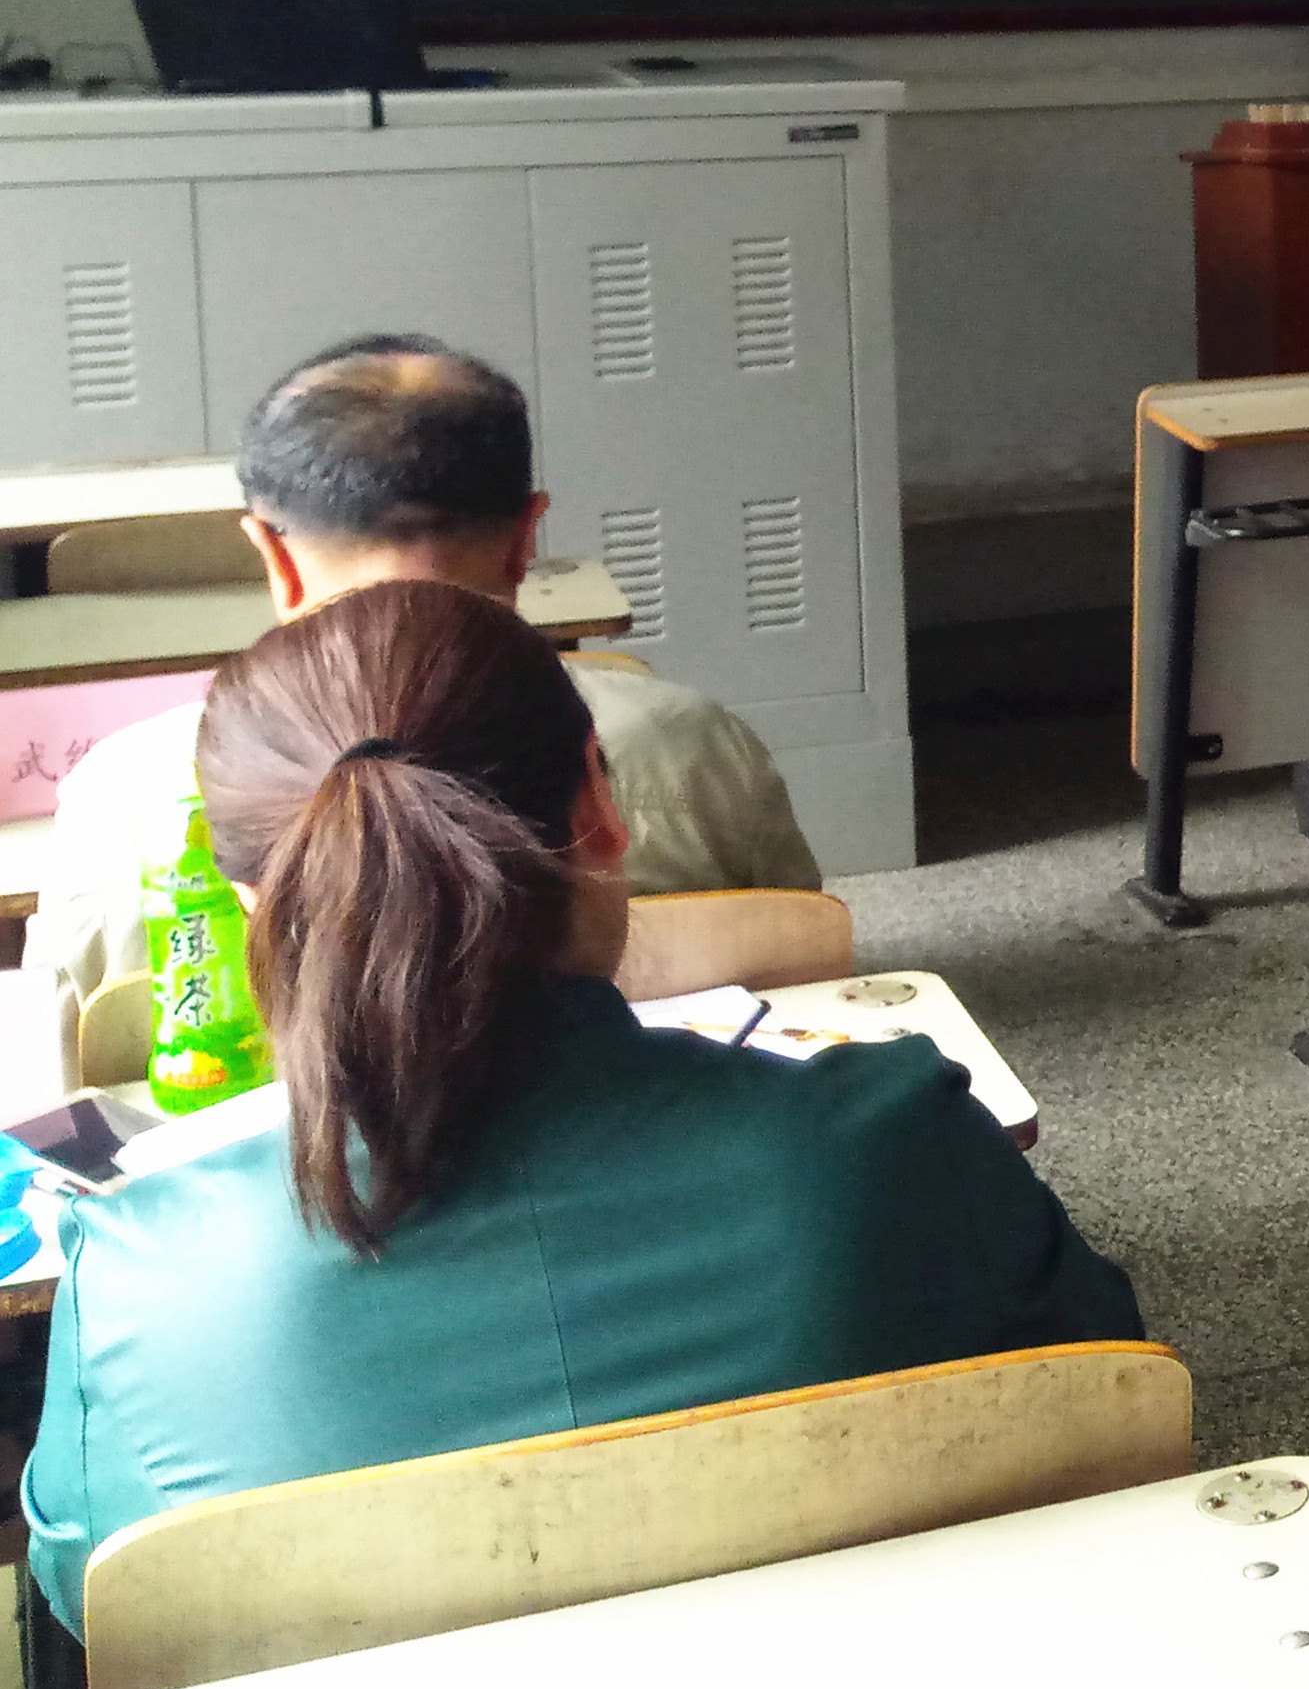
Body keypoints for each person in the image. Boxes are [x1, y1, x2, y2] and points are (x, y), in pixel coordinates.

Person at [19, 580, 1139, 1633]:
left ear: (251, 898)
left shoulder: (135, 1275)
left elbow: (87, 1596)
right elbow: (1111, 1403)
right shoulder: (902, 1141)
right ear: (600, 803)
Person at [30, 334, 820, 1002]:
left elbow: (64, 1048)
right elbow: (808, 969)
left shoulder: (125, 793)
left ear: (274, 557)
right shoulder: (692, 743)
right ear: (526, 540)